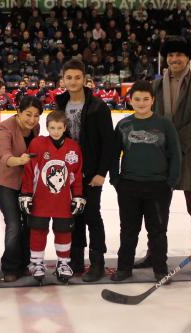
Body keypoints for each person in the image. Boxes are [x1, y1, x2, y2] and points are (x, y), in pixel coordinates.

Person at [133, 36, 191, 279]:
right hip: (162, 155)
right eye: (170, 55)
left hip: (189, 154)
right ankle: (155, 254)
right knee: (158, 210)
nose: (174, 59)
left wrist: (176, 143)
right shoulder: (156, 85)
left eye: (179, 54)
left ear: (188, 57)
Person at [109, 80, 181, 282]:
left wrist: (171, 181)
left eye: (146, 99)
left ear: (153, 100)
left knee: (157, 230)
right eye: (137, 99)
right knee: (128, 229)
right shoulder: (124, 125)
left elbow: (175, 153)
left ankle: (160, 269)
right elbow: (114, 155)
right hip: (129, 185)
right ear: (130, 100)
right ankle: (124, 268)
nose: (141, 103)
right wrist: (116, 180)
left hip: (158, 186)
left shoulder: (164, 124)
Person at [55, 59, 114, 282]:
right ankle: (75, 261)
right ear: (63, 80)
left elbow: (108, 143)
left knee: (91, 215)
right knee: (73, 216)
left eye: (77, 77)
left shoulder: (98, 107)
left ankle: (97, 262)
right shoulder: (60, 104)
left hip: (91, 173)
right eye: (68, 77)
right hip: (67, 173)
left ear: (84, 79)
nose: (72, 81)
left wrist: (101, 172)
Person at [20, 110, 85, 283]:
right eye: (52, 127)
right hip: (41, 198)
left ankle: (63, 263)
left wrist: (78, 195)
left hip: (62, 199)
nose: (55, 131)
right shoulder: (37, 144)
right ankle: (36, 263)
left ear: (65, 127)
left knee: (63, 231)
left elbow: (76, 174)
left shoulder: (73, 147)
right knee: (38, 229)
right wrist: (26, 193)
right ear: (47, 127)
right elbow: (29, 171)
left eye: (59, 127)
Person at [0, 96, 43, 282]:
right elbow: (4, 155)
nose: (32, 119)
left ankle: (24, 262)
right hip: (3, 178)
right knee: (14, 223)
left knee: (28, 221)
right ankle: (9, 266)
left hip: (24, 180)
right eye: (28, 114)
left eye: (36, 115)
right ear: (18, 112)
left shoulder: (35, 128)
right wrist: (20, 160)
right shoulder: (5, 127)